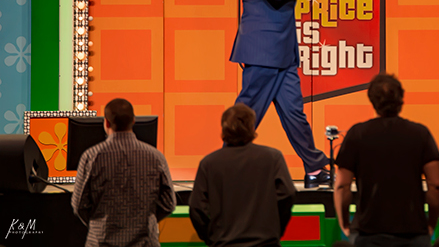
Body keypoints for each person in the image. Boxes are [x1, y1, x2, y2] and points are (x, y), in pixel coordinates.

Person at [230, 0, 330, 188]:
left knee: (294, 112)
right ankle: (227, 165)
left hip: (282, 52)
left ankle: (314, 168)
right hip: (264, 51)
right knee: (248, 112)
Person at [334, 73, 439, 247]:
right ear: (401, 98)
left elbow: (342, 186)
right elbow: (436, 185)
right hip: (413, 233)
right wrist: (430, 224)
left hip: (367, 233)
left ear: (372, 100)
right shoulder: (421, 134)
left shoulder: (356, 134)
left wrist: (344, 223)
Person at [71, 98, 176, 247]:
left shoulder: (91, 157)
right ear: (133, 121)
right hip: (145, 242)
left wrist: (97, 224)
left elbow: (78, 205)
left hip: (101, 242)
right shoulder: (156, 157)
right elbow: (169, 203)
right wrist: (147, 219)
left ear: (107, 123)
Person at [189, 103, 296, 247]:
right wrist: (275, 231)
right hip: (265, 243)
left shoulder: (209, 163)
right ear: (251, 128)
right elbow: (287, 194)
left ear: (224, 129)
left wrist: (212, 238)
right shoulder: (273, 158)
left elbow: (196, 208)